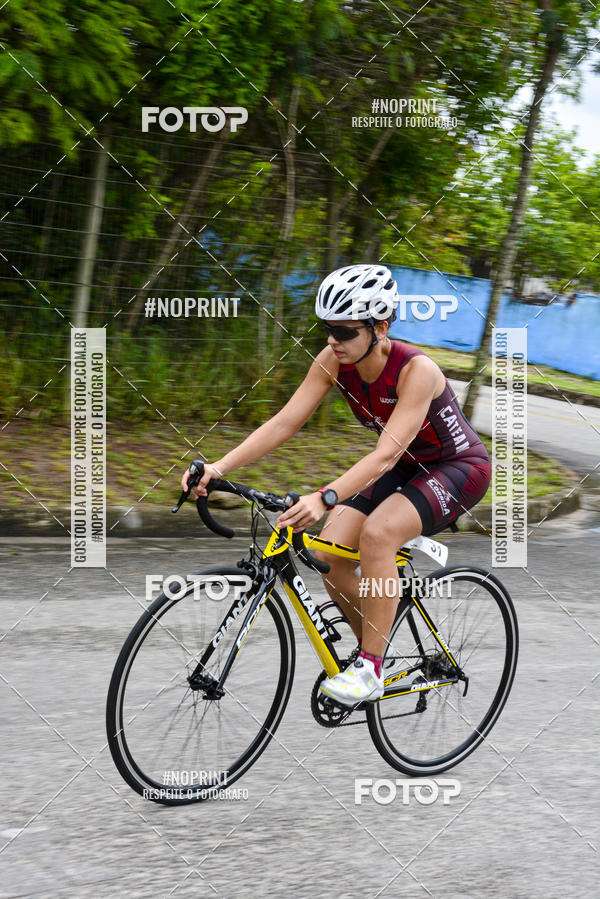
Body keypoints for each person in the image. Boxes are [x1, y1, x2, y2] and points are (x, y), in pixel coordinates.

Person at [181, 264, 491, 707]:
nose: (332, 340)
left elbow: (384, 454)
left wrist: (325, 497)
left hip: (457, 468)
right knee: (327, 554)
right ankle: (378, 644)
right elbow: (285, 422)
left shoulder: (415, 371)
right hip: (406, 464)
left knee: (378, 535)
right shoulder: (332, 362)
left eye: (344, 331)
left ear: (380, 327)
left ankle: (371, 668)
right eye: (327, 329)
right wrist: (218, 466)